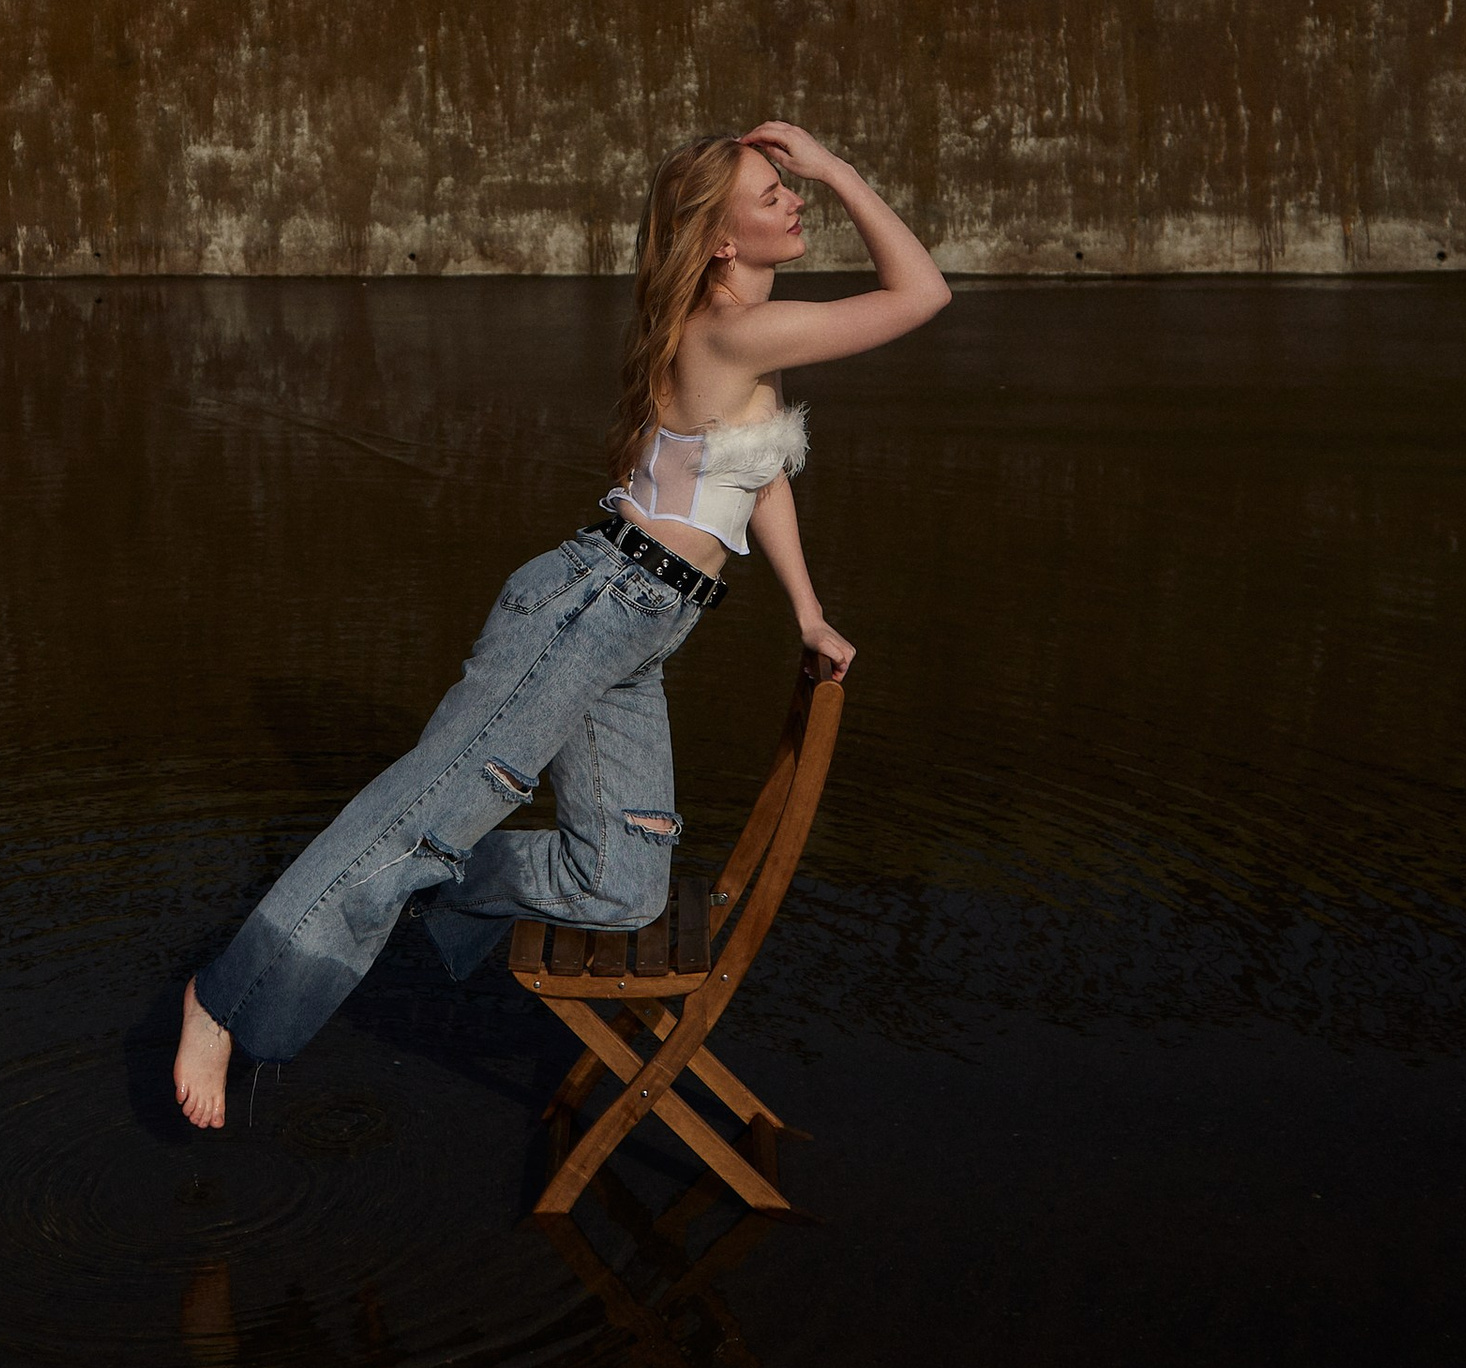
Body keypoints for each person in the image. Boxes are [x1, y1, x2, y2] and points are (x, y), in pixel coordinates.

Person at [173, 120, 948, 1128]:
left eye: (793, 187)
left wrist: (805, 609)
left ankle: (440, 888)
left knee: (620, 886)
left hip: (641, 630)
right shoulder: (727, 326)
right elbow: (922, 294)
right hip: (587, 612)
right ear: (718, 238)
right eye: (773, 193)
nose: (796, 200)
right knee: (417, 812)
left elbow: (761, 472)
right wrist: (842, 168)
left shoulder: (738, 331)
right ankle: (223, 998)